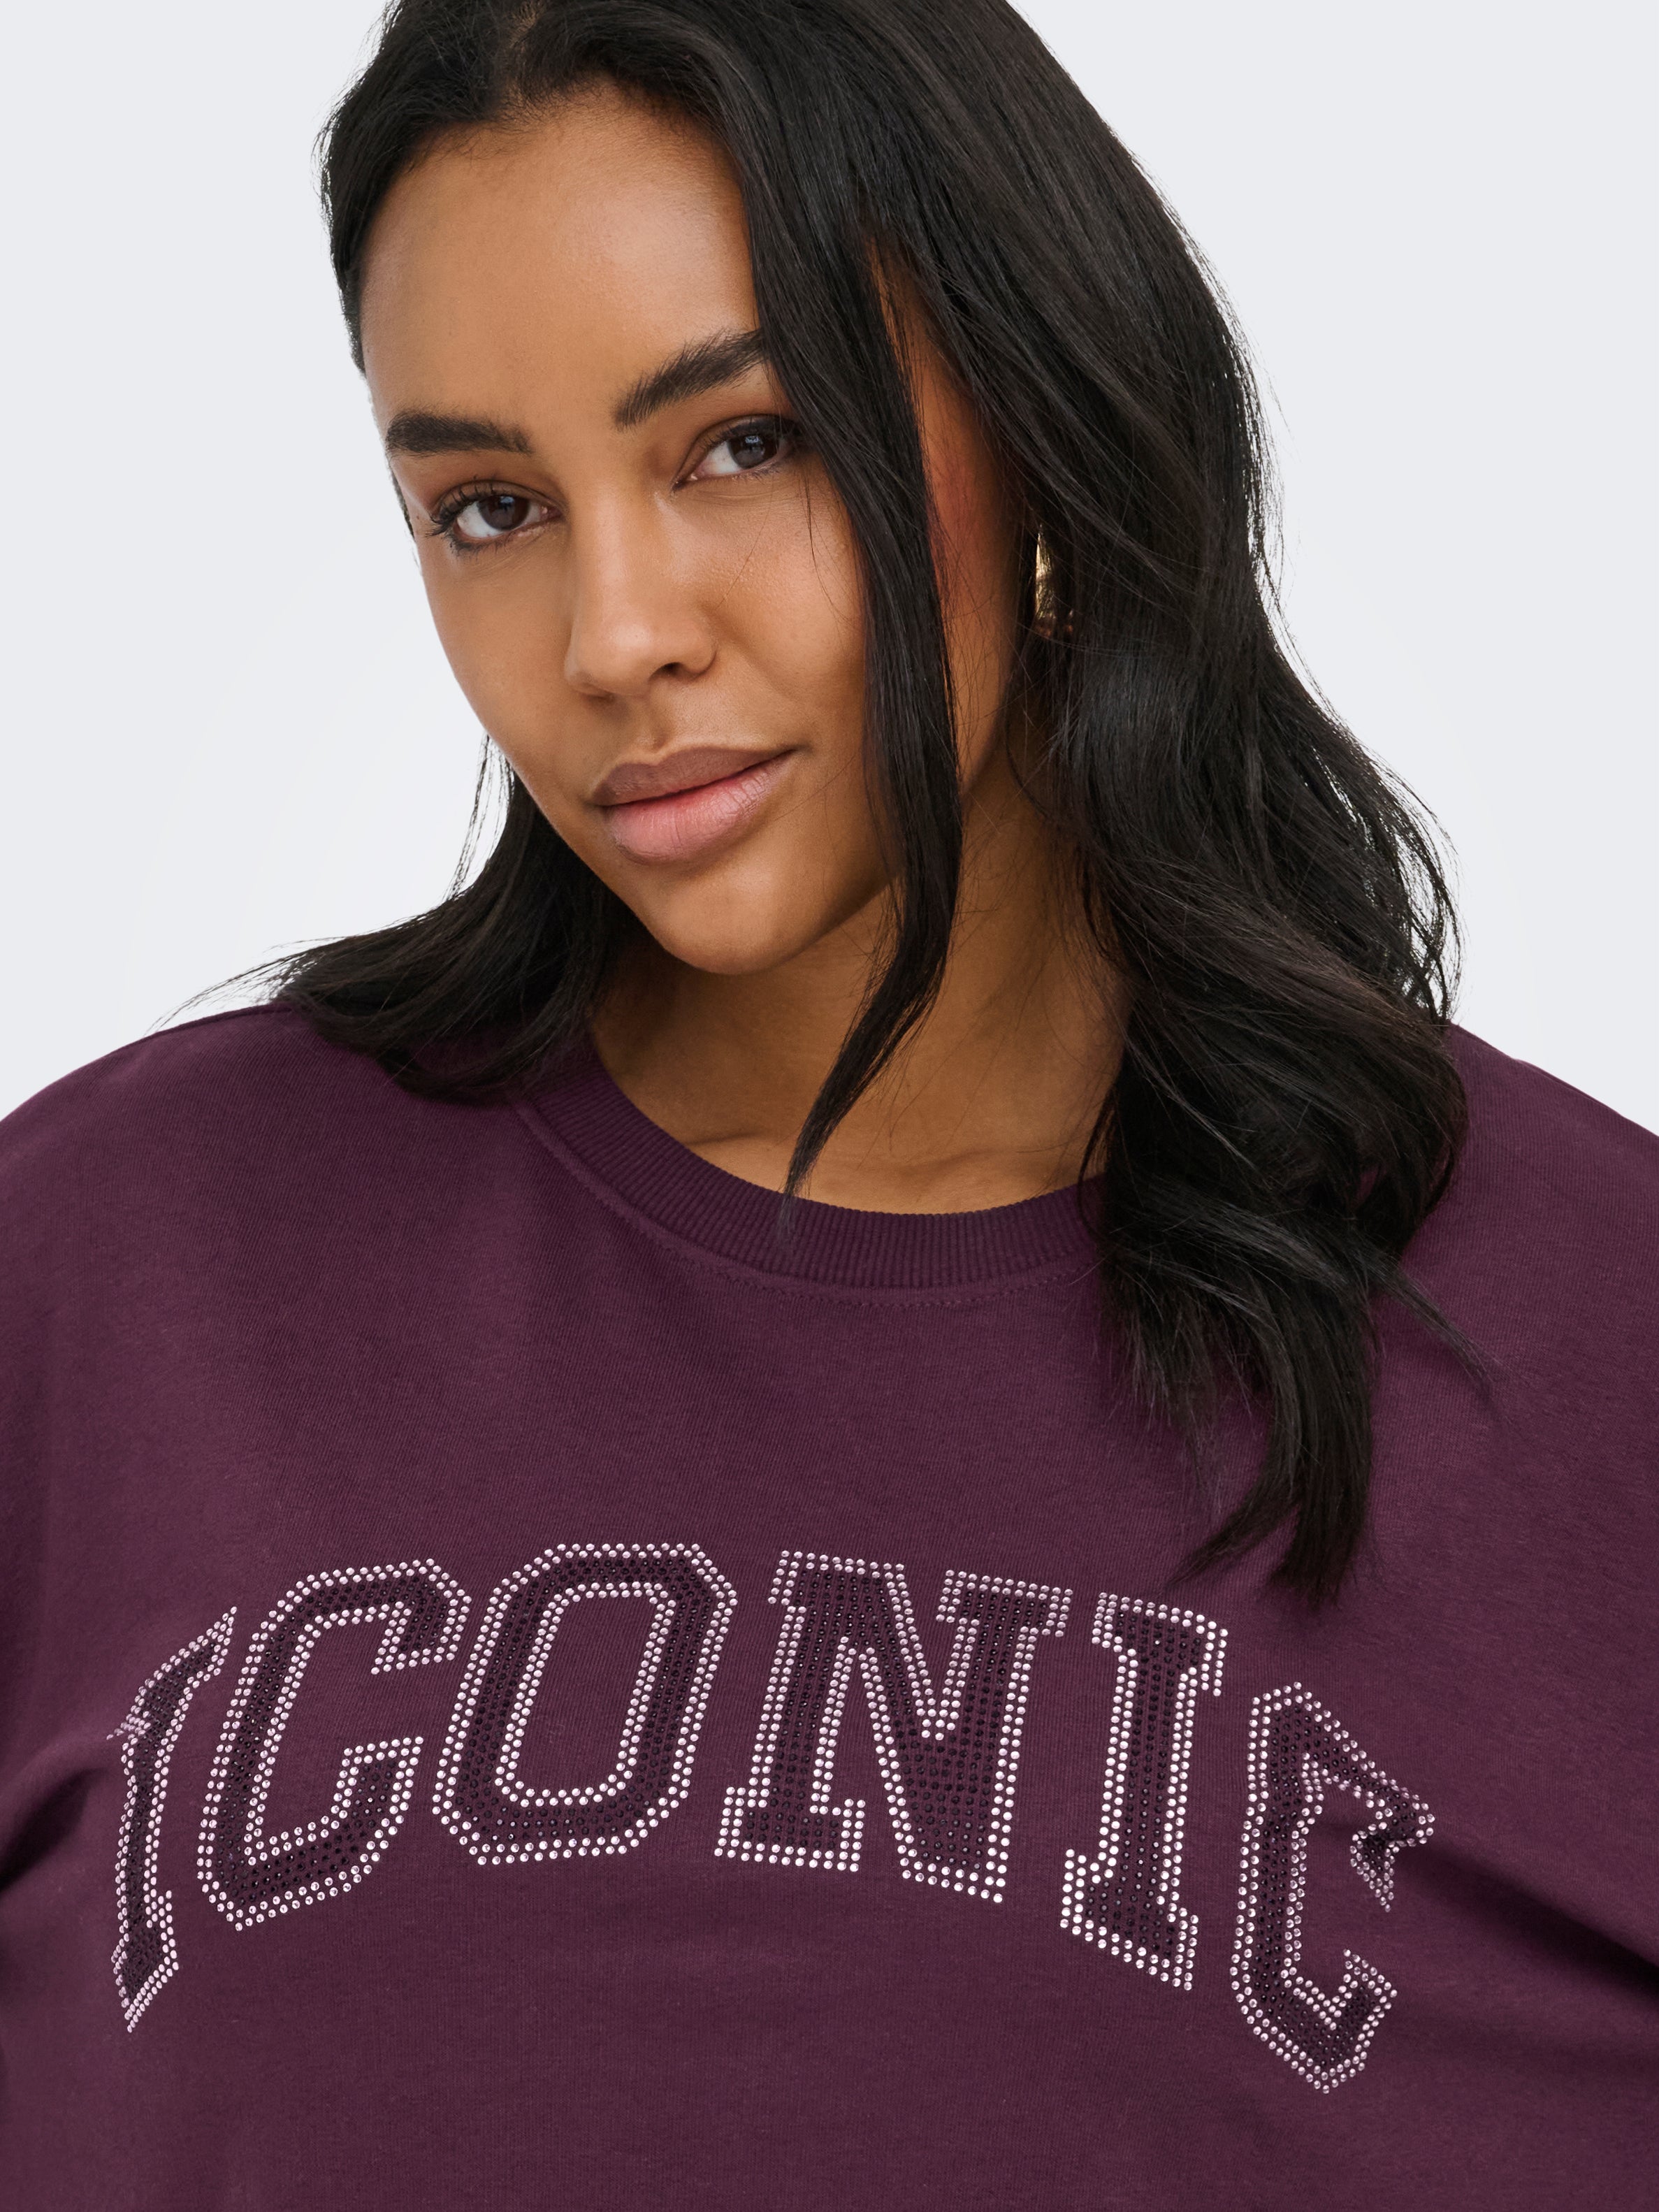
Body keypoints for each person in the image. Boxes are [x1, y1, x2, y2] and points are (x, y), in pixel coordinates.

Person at [1, 1, 1653, 2204]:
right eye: (489, 507)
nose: (613, 635)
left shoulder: (1595, 1333)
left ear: (1050, 428)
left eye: (743, 445)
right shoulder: (107, 1267)